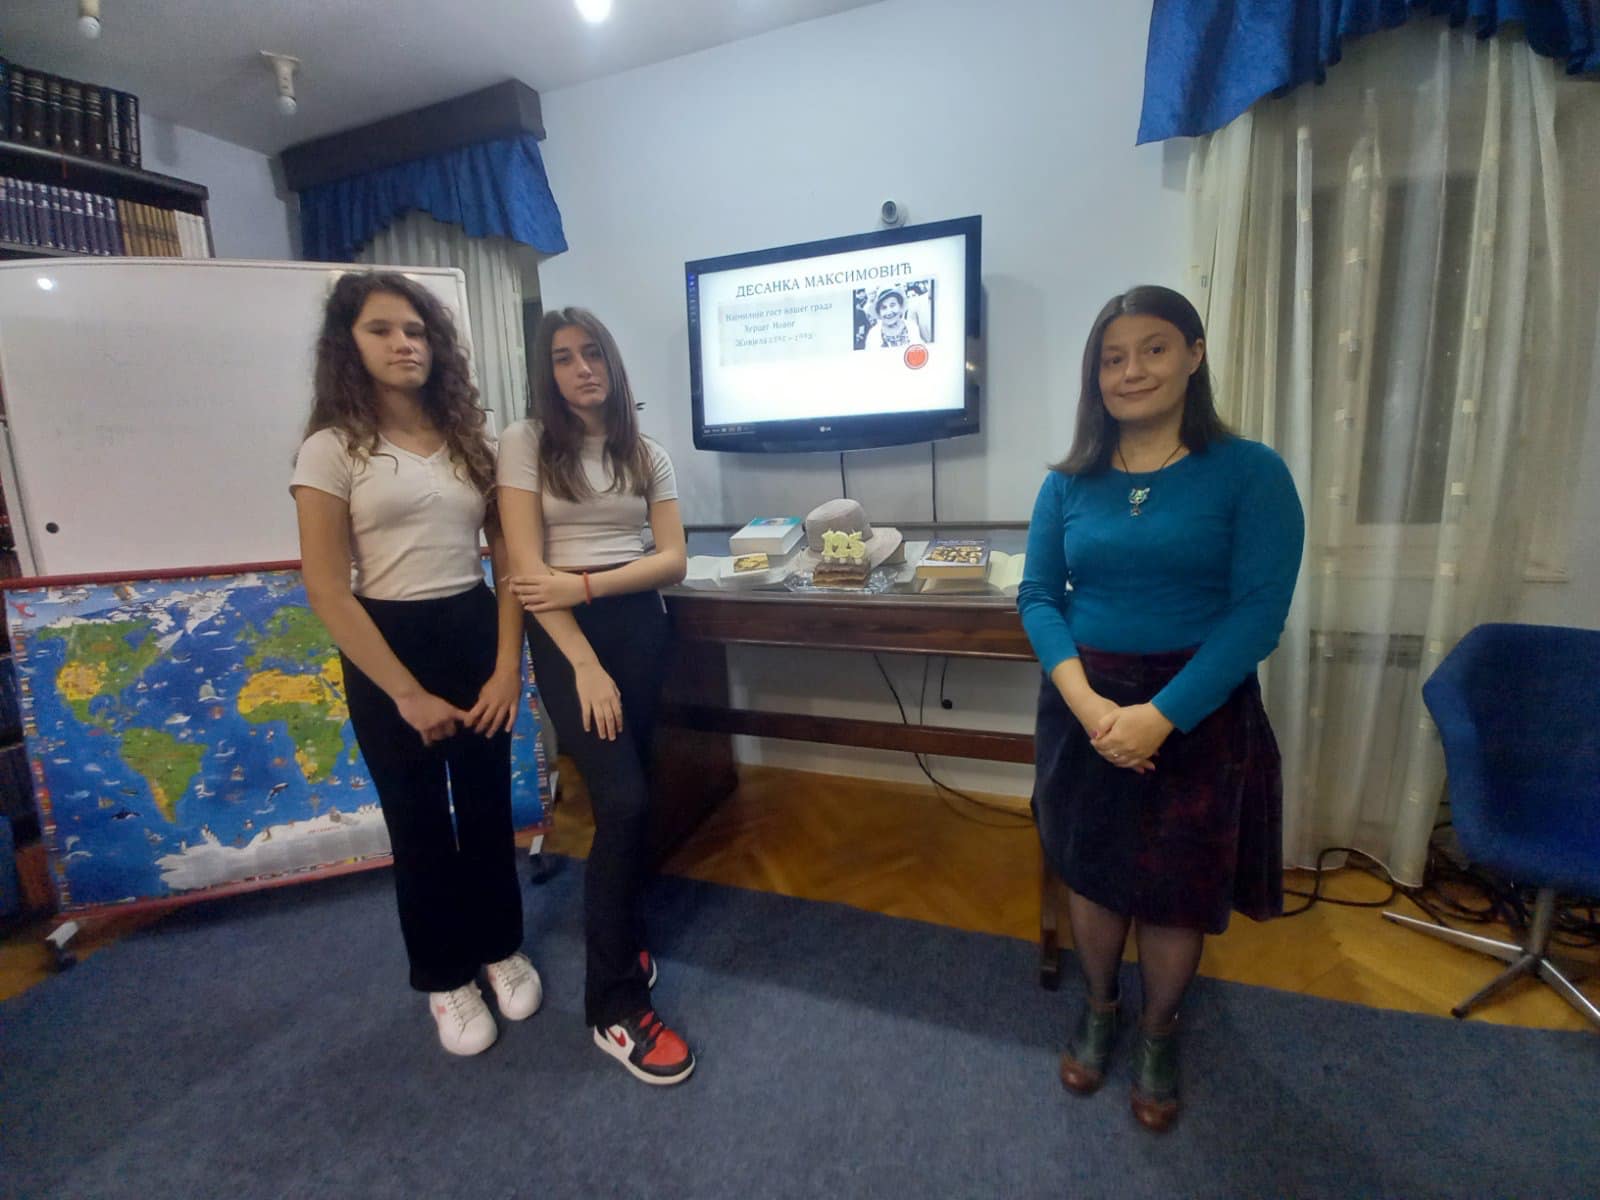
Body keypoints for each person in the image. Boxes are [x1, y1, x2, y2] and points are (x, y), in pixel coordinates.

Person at [1018, 285, 1303, 1132]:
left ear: (1194, 355)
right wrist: (1089, 707)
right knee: (1093, 869)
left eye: (1152, 349)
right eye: (1112, 358)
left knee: (1178, 885)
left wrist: (1160, 716)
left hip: (1199, 708)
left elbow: (1258, 614)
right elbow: (1039, 596)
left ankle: (1159, 1028)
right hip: (1085, 704)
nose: (1131, 371)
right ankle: (1101, 1006)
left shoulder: (1251, 472)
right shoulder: (1068, 482)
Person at [291, 271, 541, 1057]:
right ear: (349, 344)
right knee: (419, 820)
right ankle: (445, 977)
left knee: (487, 806)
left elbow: (509, 560)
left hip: (474, 626)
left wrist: (506, 667)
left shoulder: (469, 439)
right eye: (382, 329)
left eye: (416, 330)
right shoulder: (331, 449)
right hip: (386, 646)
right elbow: (327, 588)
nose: (404, 344)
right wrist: (405, 693)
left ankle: (500, 946)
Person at [496, 307, 694, 1086]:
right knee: (624, 804)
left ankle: (624, 936)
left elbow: (672, 560)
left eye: (592, 354)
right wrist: (581, 659)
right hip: (566, 639)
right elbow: (525, 569)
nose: (581, 368)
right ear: (546, 373)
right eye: (563, 357)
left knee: (635, 792)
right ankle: (613, 1009)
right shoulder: (524, 443)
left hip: (637, 627)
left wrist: (585, 584)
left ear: (611, 363)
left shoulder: (644, 452)